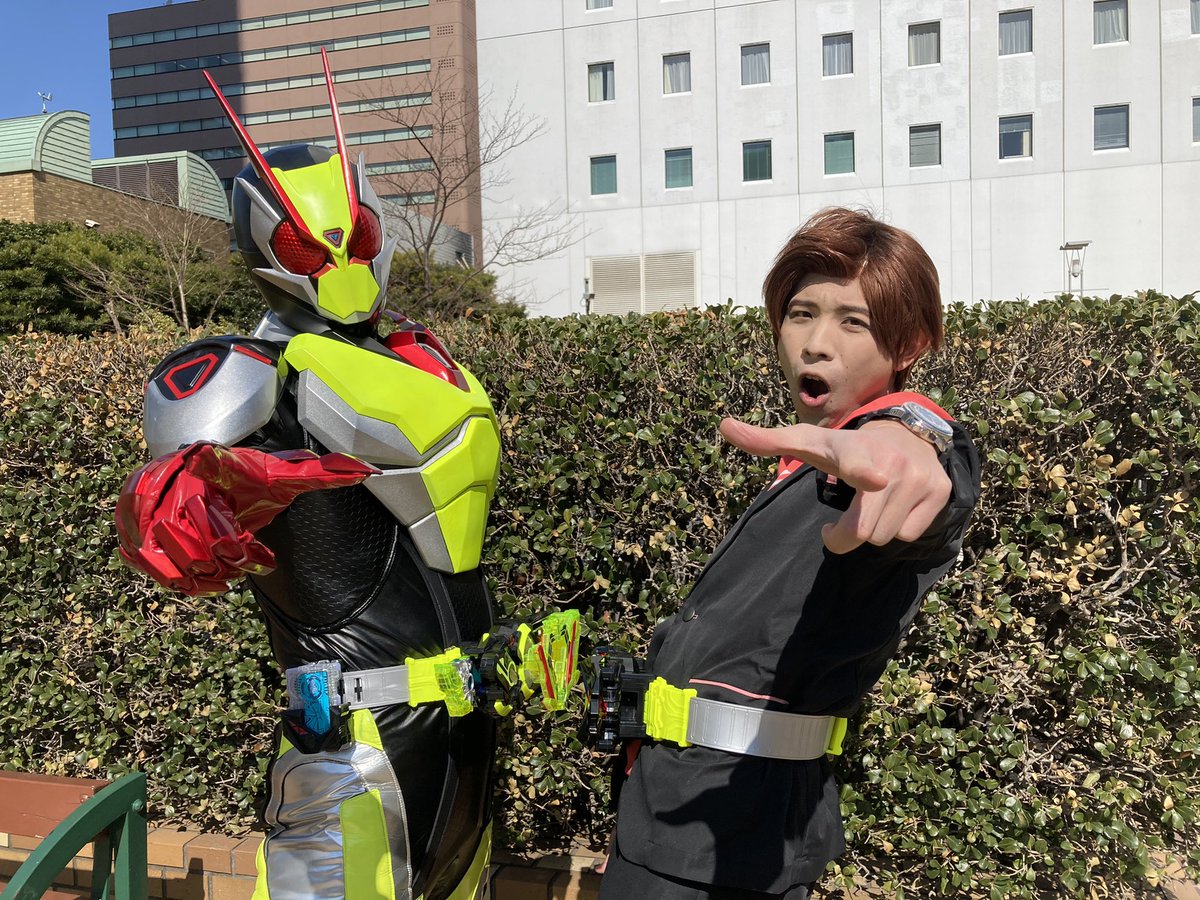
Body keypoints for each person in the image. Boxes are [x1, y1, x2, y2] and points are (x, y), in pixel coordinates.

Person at [116, 52, 577, 900]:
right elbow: (167, 519)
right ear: (265, 247)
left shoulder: (424, 359)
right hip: (354, 745)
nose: (339, 260)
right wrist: (199, 500)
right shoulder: (246, 375)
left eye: (355, 238)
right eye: (309, 243)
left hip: (466, 740)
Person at [598, 207, 982, 899]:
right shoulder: (805, 467)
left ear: (910, 343)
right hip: (668, 817)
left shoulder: (867, 467)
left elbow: (924, 470)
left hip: (729, 844)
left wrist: (916, 431)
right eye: (801, 314)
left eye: (854, 322)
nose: (816, 343)